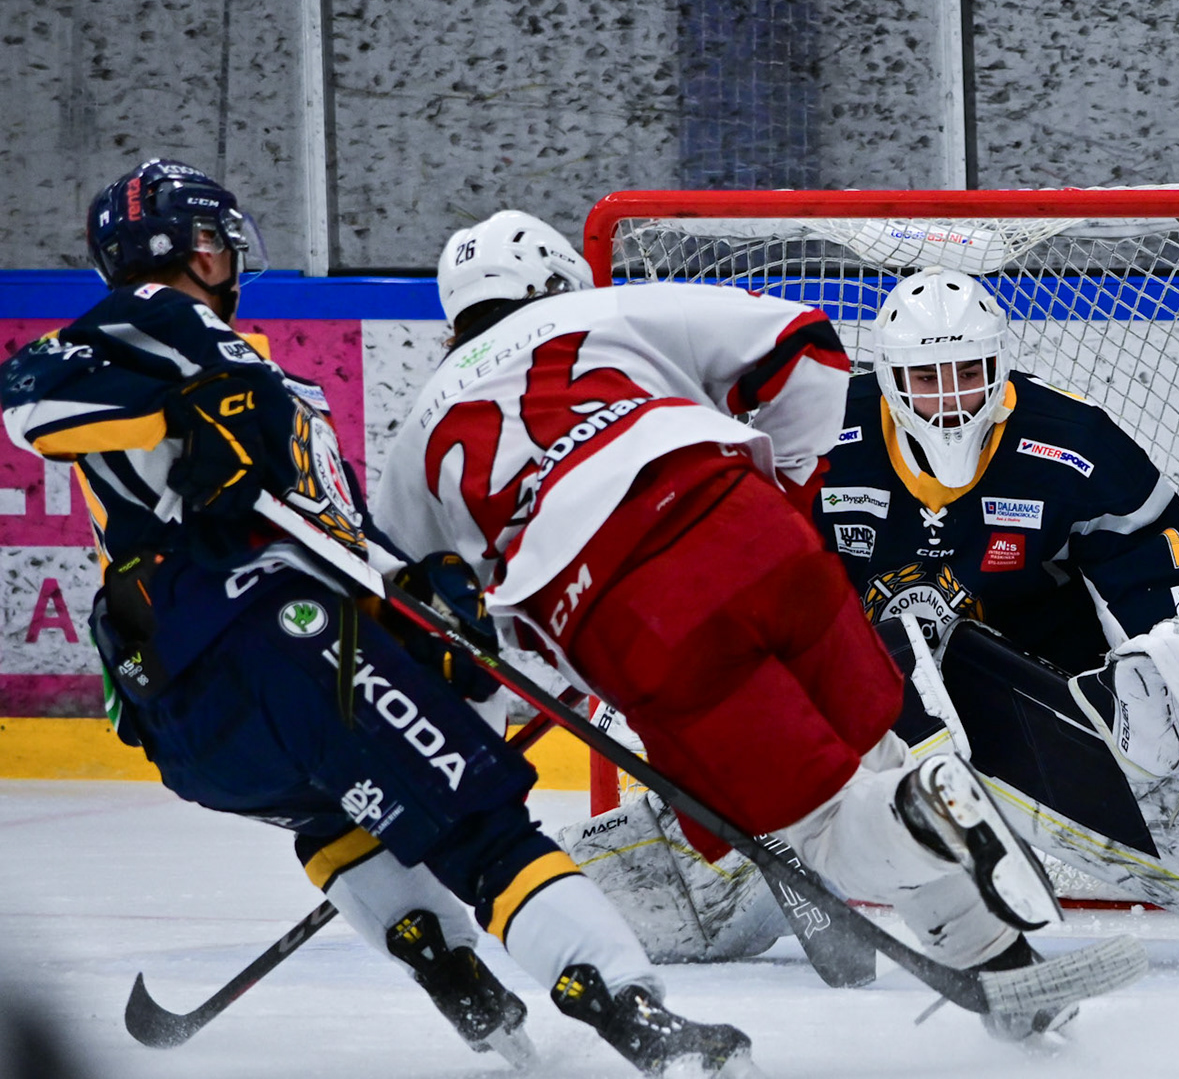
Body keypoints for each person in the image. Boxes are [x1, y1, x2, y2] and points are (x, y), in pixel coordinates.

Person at [0, 161, 751, 1077]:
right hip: (268, 645)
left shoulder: (259, 375)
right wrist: (177, 421)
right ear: (186, 247)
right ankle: (639, 1020)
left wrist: (422, 605)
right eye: (216, 242)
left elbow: (336, 541)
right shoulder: (162, 318)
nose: (229, 258)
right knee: (482, 828)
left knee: (342, 813)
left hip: (197, 721)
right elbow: (29, 392)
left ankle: (458, 981)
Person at [373, 211, 1118, 1044]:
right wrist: (786, 493)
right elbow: (807, 343)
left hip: (637, 618)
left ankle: (919, 810)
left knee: (824, 826)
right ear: (556, 278)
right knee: (874, 756)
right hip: (758, 534)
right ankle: (1007, 971)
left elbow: (420, 623)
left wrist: (519, 691)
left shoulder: (418, 435)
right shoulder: (611, 311)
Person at [808, 267, 1179, 970]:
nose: (949, 398)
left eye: (968, 373)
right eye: (926, 377)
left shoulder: (1070, 439)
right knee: (842, 674)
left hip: (1029, 668)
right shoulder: (823, 430)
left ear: (999, 364)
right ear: (888, 377)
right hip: (856, 683)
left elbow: (1152, 545)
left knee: (1144, 730)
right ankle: (712, 885)